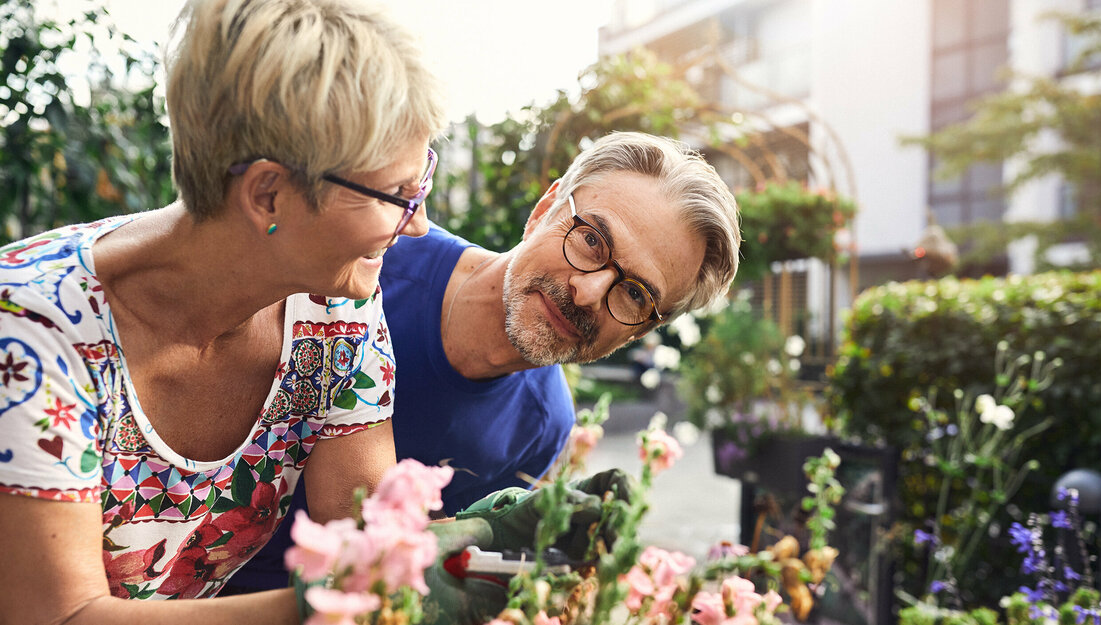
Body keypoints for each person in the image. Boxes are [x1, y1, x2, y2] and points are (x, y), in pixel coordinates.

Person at [0, 0, 446, 620]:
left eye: (422, 179)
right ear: (268, 193)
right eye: (397, 195)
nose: (420, 223)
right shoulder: (30, 325)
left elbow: (371, 540)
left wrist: (473, 558)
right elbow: (58, 616)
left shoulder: (336, 313)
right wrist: (350, 601)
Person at [228, 131, 744, 594]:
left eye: (633, 293)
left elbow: (413, 588)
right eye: (591, 240)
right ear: (544, 208)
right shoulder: (367, 262)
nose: (588, 292)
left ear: (643, 330)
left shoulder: (540, 429)